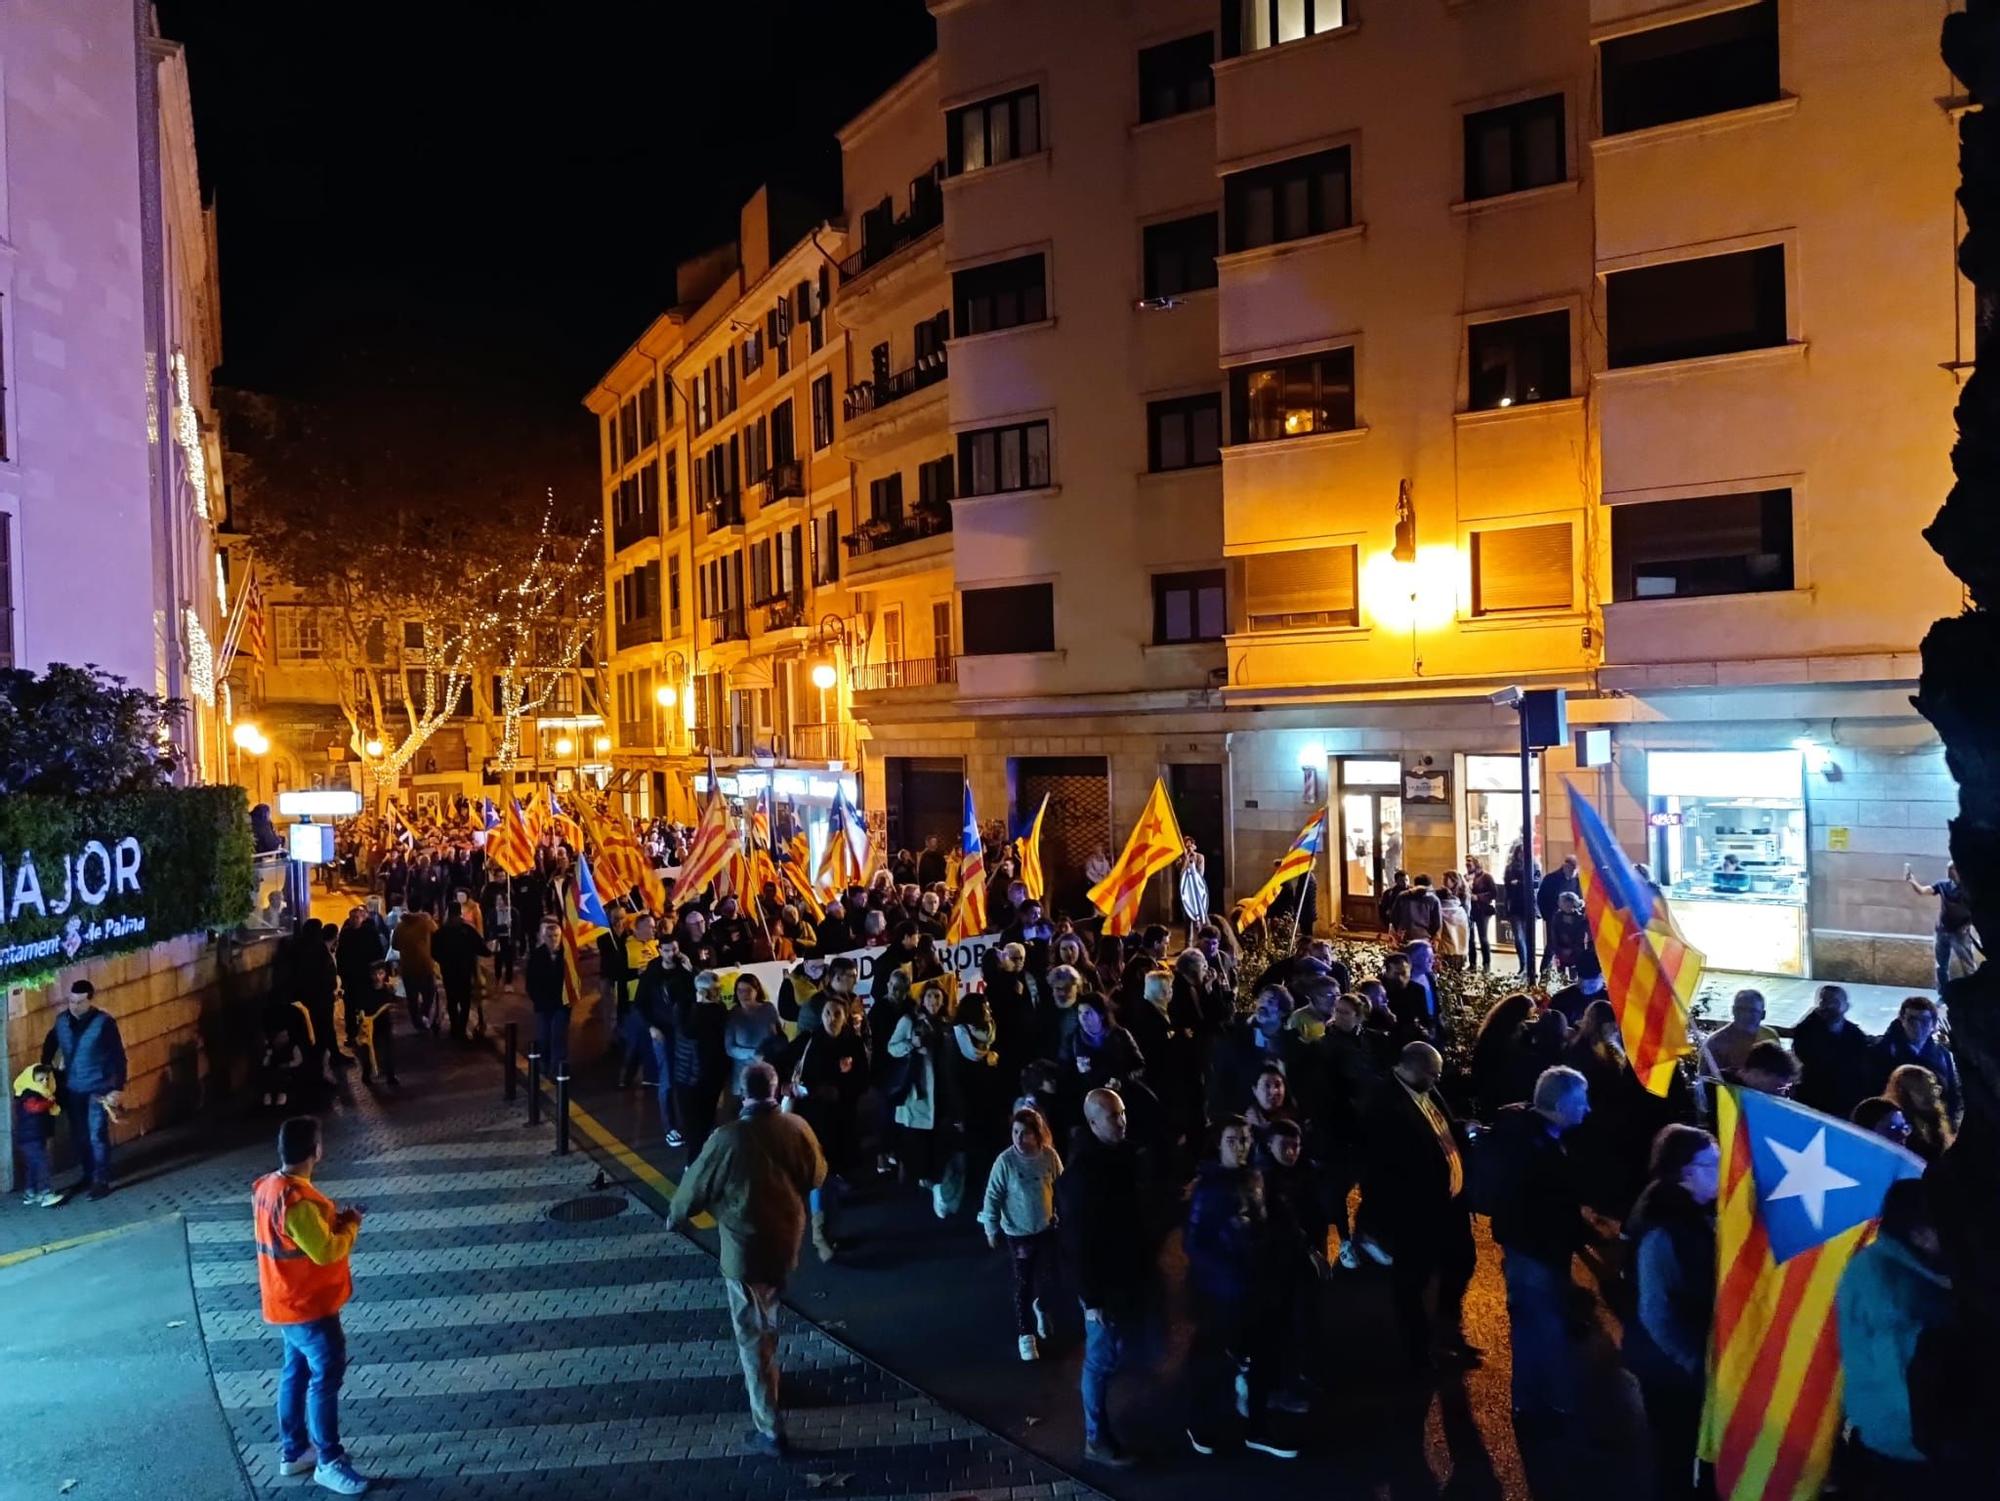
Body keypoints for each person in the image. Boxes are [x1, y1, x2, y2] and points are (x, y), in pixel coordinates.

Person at [668, 1061, 828, 1458]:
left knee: (751, 1334)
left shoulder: (729, 1138)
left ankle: (769, 1426)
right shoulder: (797, 1128)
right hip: (785, 1242)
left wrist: (675, 1216)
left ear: (743, 1092)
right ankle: (773, 1378)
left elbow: (694, 1189)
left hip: (744, 1250)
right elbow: (818, 1175)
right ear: (776, 1090)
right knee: (768, 1315)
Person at [255, 1116, 370, 1495]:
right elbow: (325, 1251)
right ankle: (330, 1461)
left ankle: (295, 1451)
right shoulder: (299, 1201)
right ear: (315, 1152)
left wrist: (333, 1221)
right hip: (310, 1307)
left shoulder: (269, 1187)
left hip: (285, 1302)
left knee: (296, 1373)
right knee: (325, 1378)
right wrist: (350, 1224)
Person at [1184, 1115, 1298, 1460]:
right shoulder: (1209, 1187)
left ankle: (1258, 1427)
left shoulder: (1257, 1176)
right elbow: (1195, 1242)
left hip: (1257, 1288)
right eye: (1232, 1140)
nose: (1241, 1146)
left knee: (1264, 1356)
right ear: (1218, 1144)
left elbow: (1267, 1222)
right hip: (1224, 1294)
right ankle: (1202, 1423)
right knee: (1215, 1360)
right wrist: (1230, 1269)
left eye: (1246, 1138)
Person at [1358, 1042, 1478, 1368]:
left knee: (1462, 1262)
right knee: (1412, 1281)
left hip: (1449, 1204)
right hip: (1416, 1214)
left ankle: (1446, 1328)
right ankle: (1419, 1351)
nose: (1437, 1081)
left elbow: (1443, 1125)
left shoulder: (1423, 1089)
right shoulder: (1384, 1106)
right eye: (1433, 1074)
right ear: (1412, 1067)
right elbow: (1379, 1173)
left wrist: (1462, 1128)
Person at [1485, 1066, 1592, 1422]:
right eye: (1582, 1101)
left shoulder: (1532, 1133)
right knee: (1541, 1326)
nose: (1587, 1109)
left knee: (1536, 1324)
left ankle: (1532, 1398)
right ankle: (1547, 1402)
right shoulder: (1532, 1147)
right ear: (1561, 1104)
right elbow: (1539, 1204)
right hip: (1534, 1252)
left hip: (1533, 1249)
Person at [1836, 1178, 1954, 1497]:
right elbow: (1902, 1374)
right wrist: (1937, 1442)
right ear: (1919, 1232)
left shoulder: (1893, 1264)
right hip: (1908, 1444)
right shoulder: (1891, 1286)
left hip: (1894, 1433)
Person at [1621, 1125, 1720, 1501]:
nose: (1722, 1169)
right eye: (1713, 1163)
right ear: (1687, 1172)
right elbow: (1656, 1311)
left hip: (1676, 1363)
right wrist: (1693, 1360)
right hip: (1668, 1369)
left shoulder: (1691, 1216)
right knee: (1676, 1459)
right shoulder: (1664, 1228)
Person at [1059, 1088, 1149, 1469]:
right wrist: (1091, 1298)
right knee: (1099, 1360)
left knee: (1113, 1352)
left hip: (1124, 1276)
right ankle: (1096, 1438)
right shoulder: (1084, 1175)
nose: (1122, 1120)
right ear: (1093, 1122)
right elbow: (1078, 1241)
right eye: (1113, 1116)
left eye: (1123, 1112)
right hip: (1106, 1285)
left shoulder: (1121, 1156)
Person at [779, 996, 867, 1261]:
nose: (831, 1019)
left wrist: (841, 1091)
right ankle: (820, 1236)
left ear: (845, 1017)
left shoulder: (852, 1043)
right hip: (814, 1122)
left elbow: (863, 1078)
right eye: (827, 1013)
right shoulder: (809, 1041)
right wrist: (791, 1086)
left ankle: (830, 1231)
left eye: (837, 1014)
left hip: (843, 1121)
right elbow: (780, 1061)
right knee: (821, 1175)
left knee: (834, 1174)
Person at [980, 1106, 1065, 1361]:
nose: (1018, 1138)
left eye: (1025, 1133)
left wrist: (1064, 1216)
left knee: (1051, 1276)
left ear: (1037, 1135)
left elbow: (1061, 1187)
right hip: (1018, 1233)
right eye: (1015, 1132)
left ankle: (1043, 1305)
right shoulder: (1005, 1162)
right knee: (1024, 1281)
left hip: (1047, 1228)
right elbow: (993, 1195)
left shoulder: (1049, 1157)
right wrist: (991, 1227)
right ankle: (1026, 1334)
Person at [40, 980, 126, 1198]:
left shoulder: (104, 1023)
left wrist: (117, 1087)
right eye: (71, 1001)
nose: (74, 1006)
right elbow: (50, 1044)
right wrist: (46, 1069)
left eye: (79, 1002)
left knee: (96, 1133)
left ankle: (101, 1179)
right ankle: (88, 1173)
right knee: (80, 1134)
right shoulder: (62, 1022)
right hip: (74, 1088)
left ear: (90, 1000)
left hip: (99, 1087)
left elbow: (118, 1056)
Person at [889, 982, 960, 1215]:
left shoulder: (947, 1025)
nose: (933, 1001)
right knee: (920, 1141)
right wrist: (911, 1044)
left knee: (939, 1142)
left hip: (943, 1089)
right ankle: (925, 1182)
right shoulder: (910, 1022)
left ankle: (936, 1185)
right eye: (929, 996)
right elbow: (892, 1047)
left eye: (938, 997)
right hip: (920, 1092)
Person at [1784, 984, 1878, 1120]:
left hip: (1847, 1104)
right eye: (1824, 1001)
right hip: (1813, 1101)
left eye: (1835, 1002)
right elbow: (1809, 1060)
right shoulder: (1805, 1031)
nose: (1829, 1006)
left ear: (1846, 1006)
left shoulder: (1855, 1034)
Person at [669, 971, 731, 1162]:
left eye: (716, 990)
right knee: (694, 1128)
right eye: (710, 991)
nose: (714, 994)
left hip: (711, 1077)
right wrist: (700, 1005)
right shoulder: (685, 1007)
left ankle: (702, 1163)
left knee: (706, 1122)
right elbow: (689, 1032)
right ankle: (693, 1166)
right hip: (688, 1078)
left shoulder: (718, 1009)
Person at [1873, 996, 1961, 1124]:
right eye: (1912, 1020)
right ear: (1902, 1020)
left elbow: (1951, 1095)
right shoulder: (1883, 1052)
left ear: (1933, 1024)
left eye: (1924, 1020)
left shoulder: (1942, 1054)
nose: (1918, 1026)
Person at [1905, 861, 1979, 993]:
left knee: (1967, 965)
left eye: (1952, 869)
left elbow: (1977, 910)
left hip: (1960, 932)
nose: (1949, 872)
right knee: (1941, 965)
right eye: (1948, 869)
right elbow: (1923, 891)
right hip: (1942, 930)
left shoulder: (1969, 889)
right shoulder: (1943, 885)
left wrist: (1967, 925)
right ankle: (1943, 993)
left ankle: (1974, 993)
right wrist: (1912, 881)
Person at [431, 901, 487, 1042]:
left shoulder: (441, 932)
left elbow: (434, 951)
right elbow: (480, 947)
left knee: (452, 999)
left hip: (448, 971)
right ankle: (461, 1028)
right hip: (464, 971)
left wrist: (443, 961)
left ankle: (454, 1027)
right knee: (465, 1000)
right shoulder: (467, 930)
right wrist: (490, 951)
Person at [724, 974, 782, 1101]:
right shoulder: (733, 1014)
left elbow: (777, 1037)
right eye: (740, 991)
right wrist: (754, 1053)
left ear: (757, 991)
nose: (744, 994)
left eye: (748, 990)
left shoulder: (768, 1009)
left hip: (768, 1074)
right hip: (743, 1077)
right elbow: (729, 1048)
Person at [12, 1062, 61, 1206]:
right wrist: (49, 1103)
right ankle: (46, 1193)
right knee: (42, 1163)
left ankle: (30, 1193)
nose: (45, 1082)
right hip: (30, 1137)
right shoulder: (29, 1093)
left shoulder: (41, 1093)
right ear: (32, 1080)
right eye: (41, 1080)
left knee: (34, 1164)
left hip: (34, 1135)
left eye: (46, 1079)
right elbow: (34, 1108)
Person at [524, 914, 569, 1074]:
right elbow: (530, 982)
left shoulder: (566, 955)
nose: (553, 939)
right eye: (549, 936)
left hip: (560, 1004)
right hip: (543, 1005)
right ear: (544, 937)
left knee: (558, 1038)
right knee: (544, 1038)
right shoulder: (537, 956)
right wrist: (537, 999)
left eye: (556, 936)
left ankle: (557, 1070)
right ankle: (544, 1066)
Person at [1702, 988, 1779, 1077]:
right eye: (1740, 1009)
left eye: (1752, 1011)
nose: (1745, 1015)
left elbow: (1781, 1073)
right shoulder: (1716, 1042)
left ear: (1763, 1015)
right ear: (1733, 1011)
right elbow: (1706, 1080)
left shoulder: (1770, 1036)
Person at [1885, 1065, 1953, 1163]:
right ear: (1904, 1093)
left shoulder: (1936, 1124)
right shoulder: (1896, 1123)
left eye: (1932, 1088)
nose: (1930, 1095)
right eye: (1921, 1090)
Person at [350, 963, 399, 1088]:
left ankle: (390, 1075)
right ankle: (366, 1074)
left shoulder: (387, 989)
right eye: (375, 974)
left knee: (388, 1050)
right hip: (369, 1025)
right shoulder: (366, 991)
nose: (378, 977)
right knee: (368, 1051)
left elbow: (394, 1002)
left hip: (384, 1024)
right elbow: (360, 1006)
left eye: (381, 973)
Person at [392, 904, 439, 1032]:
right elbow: (437, 935)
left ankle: (417, 1023)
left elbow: (395, 945)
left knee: (412, 998)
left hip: (408, 967)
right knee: (429, 994)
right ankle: (424, 1016)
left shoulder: (400, 926)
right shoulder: (427, 922)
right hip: (425, 966)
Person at [1535, 855, 1580, 975]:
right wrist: (1547, 916)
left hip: (1572, 919)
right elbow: (1541, 898)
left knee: (1572, 948)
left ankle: (1571, 976)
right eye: (1572, 870)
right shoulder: (1551, 879)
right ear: (1566, 866)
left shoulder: (1576, 880)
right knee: (1552, 946)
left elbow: (1580, 897)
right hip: (1554, 918)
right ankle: (1545, 973)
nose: (1573, 873)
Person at [1466, 856, 1498, 971]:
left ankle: (1486, 964)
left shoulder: (1486, 877)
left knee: (1483, 937)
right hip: (1470, 909)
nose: (1467, 865)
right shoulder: (1466, 878)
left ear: (1476, 864)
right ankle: (1472, 964)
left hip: (1482, 910)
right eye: (1466, 864)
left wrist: (1478, 897)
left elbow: (1494, 893)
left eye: (1470, 863)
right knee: (1470, 938)